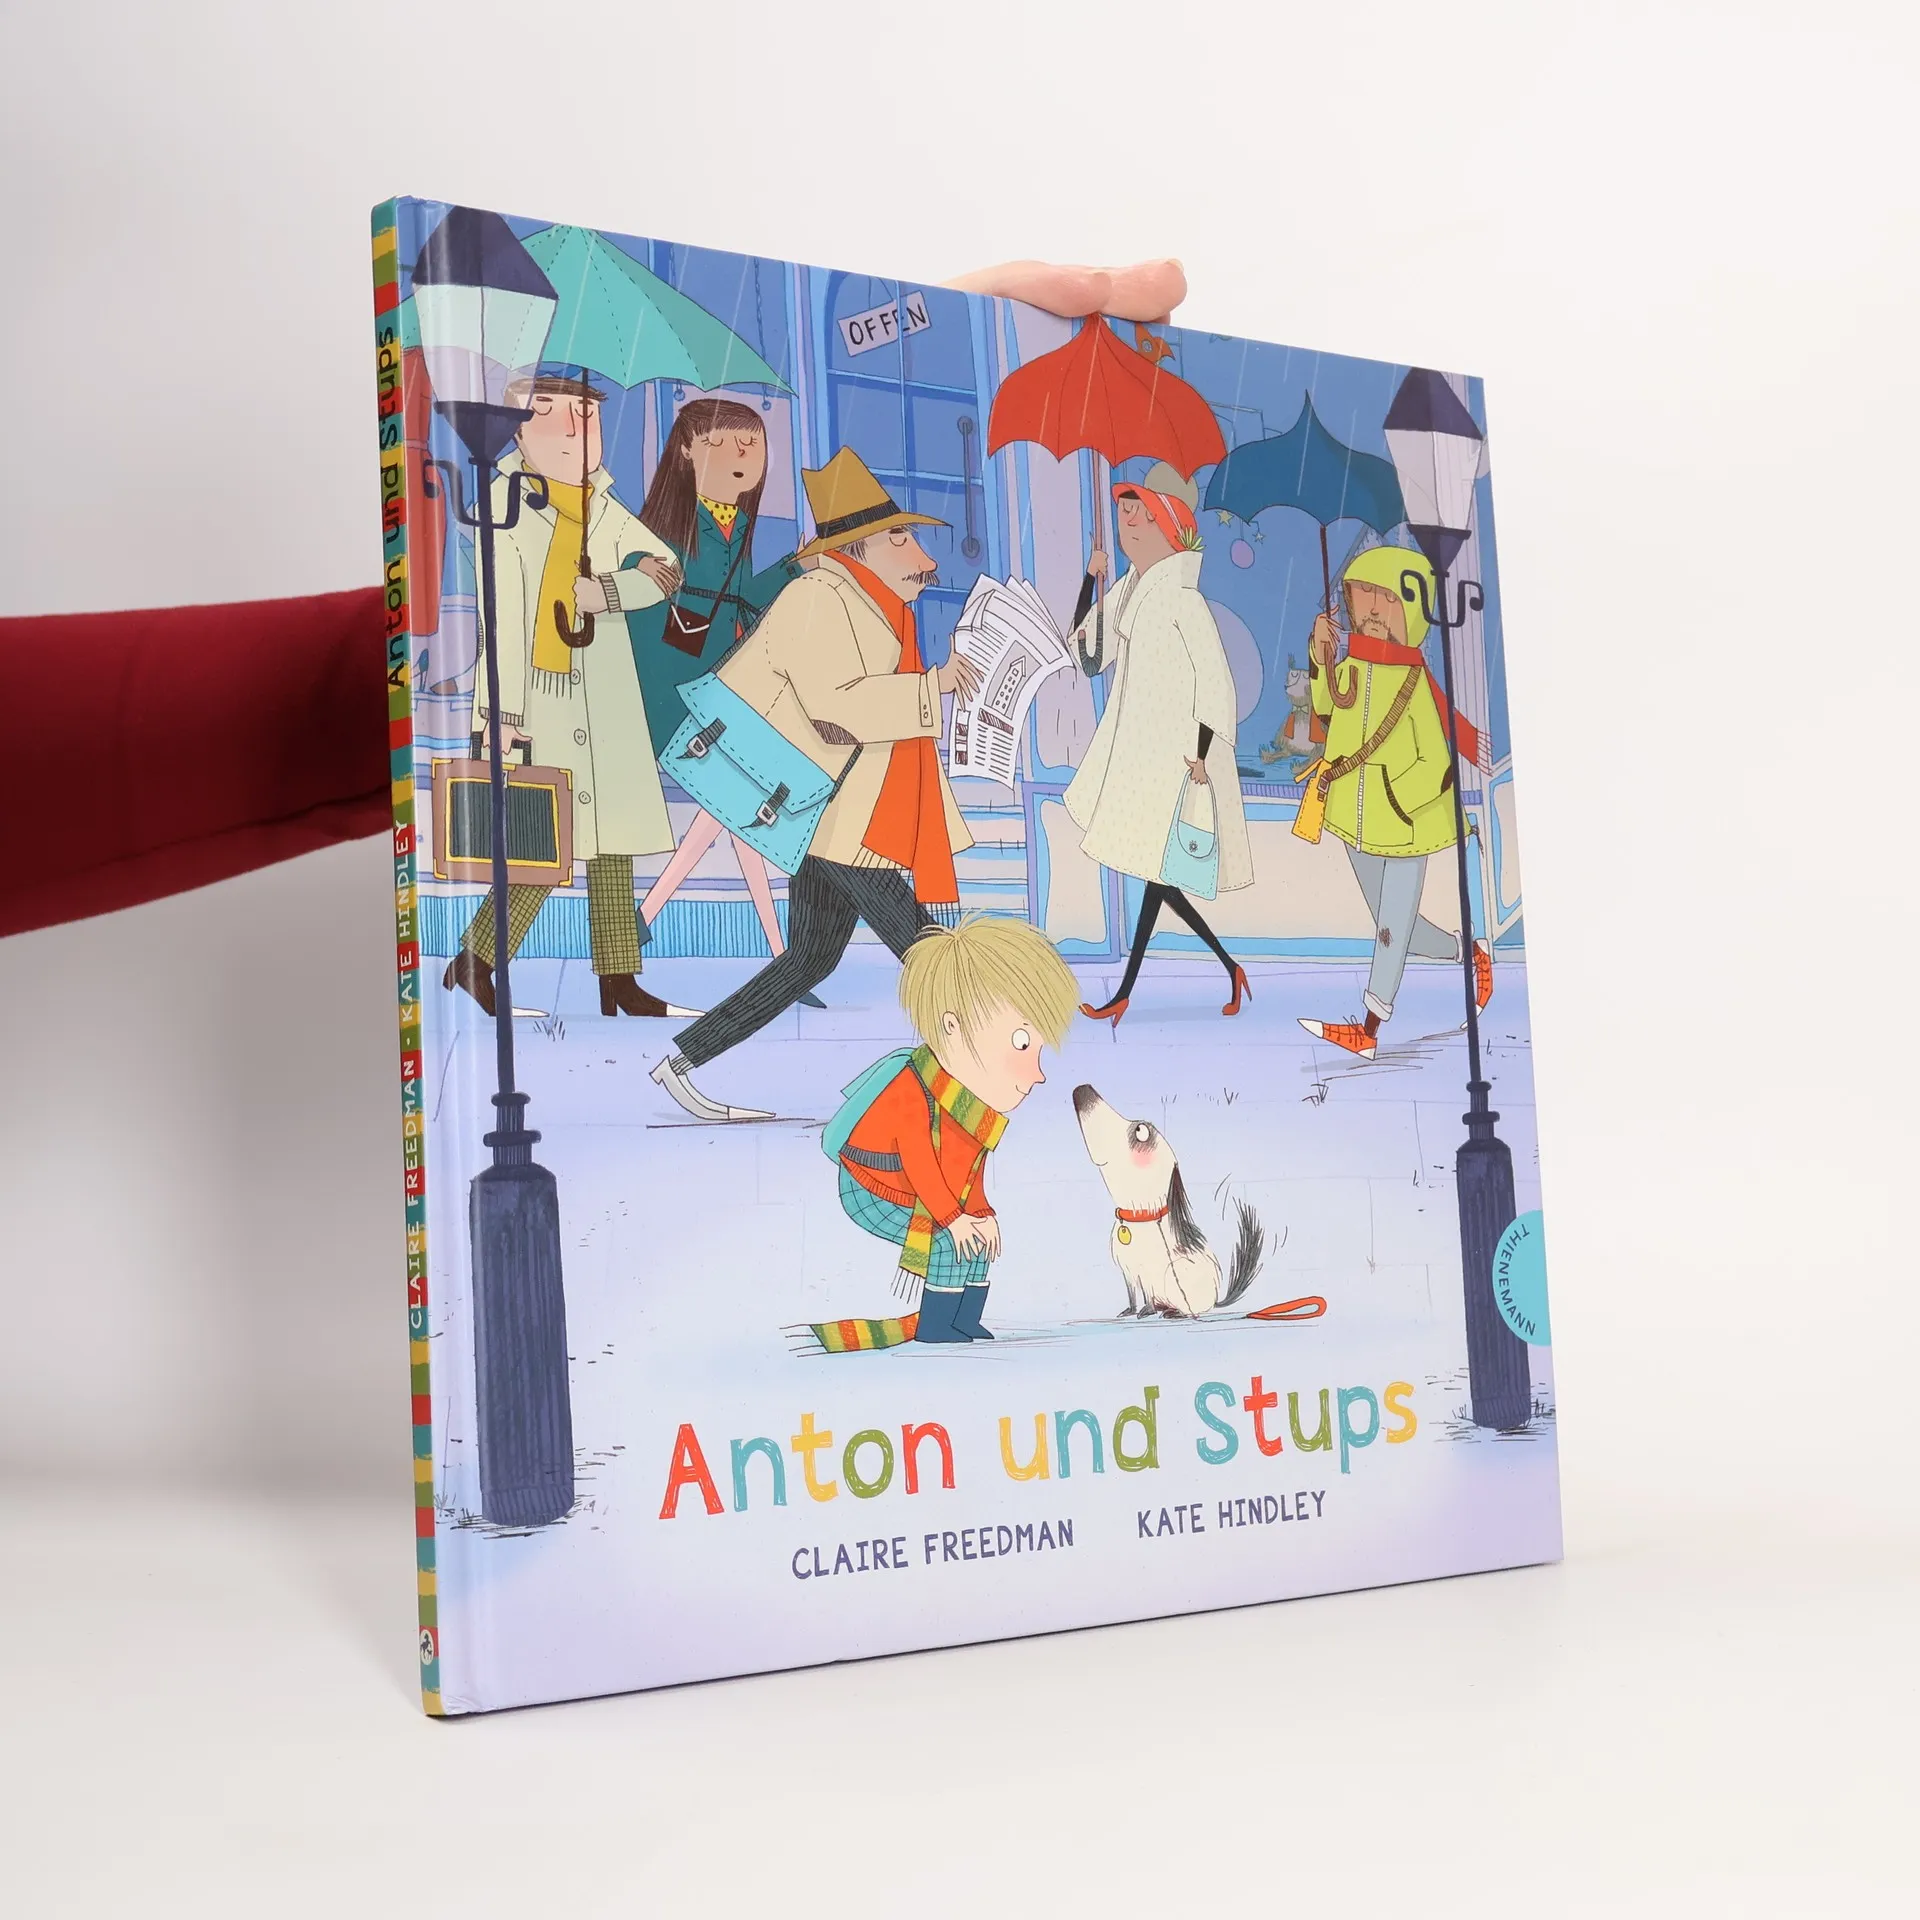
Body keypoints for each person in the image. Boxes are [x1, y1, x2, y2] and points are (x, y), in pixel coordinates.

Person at [649, 448, 985, 1121]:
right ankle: (971, 1083)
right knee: (925, 951)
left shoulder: (870, 606)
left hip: (835, 811)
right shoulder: (821, 598)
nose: (923, 558)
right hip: (837, 816)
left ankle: (681, 1061)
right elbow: (835, 706)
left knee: (809, 959)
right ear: (859, 549)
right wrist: (934, 687)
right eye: (901, 539)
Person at [444, 366, 696, 1020]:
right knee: (542, 845)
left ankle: (619, 980)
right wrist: (501, 714)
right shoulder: (504, 507)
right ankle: (474, 960)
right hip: (540, 699)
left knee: (612, 846)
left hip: (604, 698)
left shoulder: (602, 505)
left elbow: (667, 570)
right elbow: (500, 617)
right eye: (550, 413)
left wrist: (608, 590)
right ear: (517, 431)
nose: (573, 430)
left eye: (586, 417)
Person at [613, 398, 812, 986]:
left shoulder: (737, 525)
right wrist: (642, 570)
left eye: (752, 444)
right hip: (670, 680)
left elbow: (746, 599)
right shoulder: (666, 523)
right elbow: (634, 569)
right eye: (724, 442)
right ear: (686, 449)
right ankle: (777, 953)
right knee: (736, 803)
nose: (742, 454)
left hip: (718, 682)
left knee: (734, 807)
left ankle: (762, 948)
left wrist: (797, 566)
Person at [1063, 463, 1253, 1026]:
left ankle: (1126, 992)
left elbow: (1216, 684)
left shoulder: (1183, 600)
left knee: (1158, 874)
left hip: (1180, 759)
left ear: (1167, 527)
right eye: (1123, 513)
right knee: (1158, 875)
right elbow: (1088, 655)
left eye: (1138, 514)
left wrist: (1203, 754)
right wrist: (1090, 581)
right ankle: (1229, 967)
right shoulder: (1128, 590)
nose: (1126, 523)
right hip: (1140, 756)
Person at [830, 916, 1076, 1343]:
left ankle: (964, 1319)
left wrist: (980, 1212)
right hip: (872, 1186)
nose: (1037, 1073)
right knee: (949, 1241)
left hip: (923, 1188)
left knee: (977, 1240)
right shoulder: (912, 1088)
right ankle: (936, 1327)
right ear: (953, 1026)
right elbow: (921, 1164)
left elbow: (968, 1169)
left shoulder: (968, 1102)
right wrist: (953, 1218)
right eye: (1021, 1043)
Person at [1295, 544, 1493, 1061]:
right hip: (1353, 821)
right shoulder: (1353, 666)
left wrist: (1392, 797)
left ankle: (1368, 1029)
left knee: (1389, 929)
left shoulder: (1413, 681)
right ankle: (1469, 951)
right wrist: (1321, 655)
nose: (1374, 609)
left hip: (1407, 827)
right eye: (1364, 594)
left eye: (1386, 598)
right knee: (1396, 927)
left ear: (1410, 610)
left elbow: (1433, 760)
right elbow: (1326, 708)